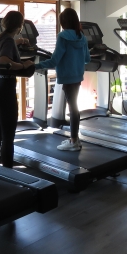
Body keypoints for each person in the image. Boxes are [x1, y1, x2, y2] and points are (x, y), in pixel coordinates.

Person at [35, 8, 90, 151]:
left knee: (73, 108)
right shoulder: (82, 36)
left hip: (66, 77)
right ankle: (74, 139)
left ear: (63, 22)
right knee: (74, 106)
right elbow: (87, 59)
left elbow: (54, 61)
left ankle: (73, 141)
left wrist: (35, 66)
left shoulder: (62, 36)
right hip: (77, 76)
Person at [0, 11, 34, 168]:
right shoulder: (8, 41)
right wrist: (24, 65)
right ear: (20, 26)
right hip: (4, 89)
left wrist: (18, 42)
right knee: (8, 135)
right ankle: (7, 169)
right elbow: (4, 60)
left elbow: (5, 46)